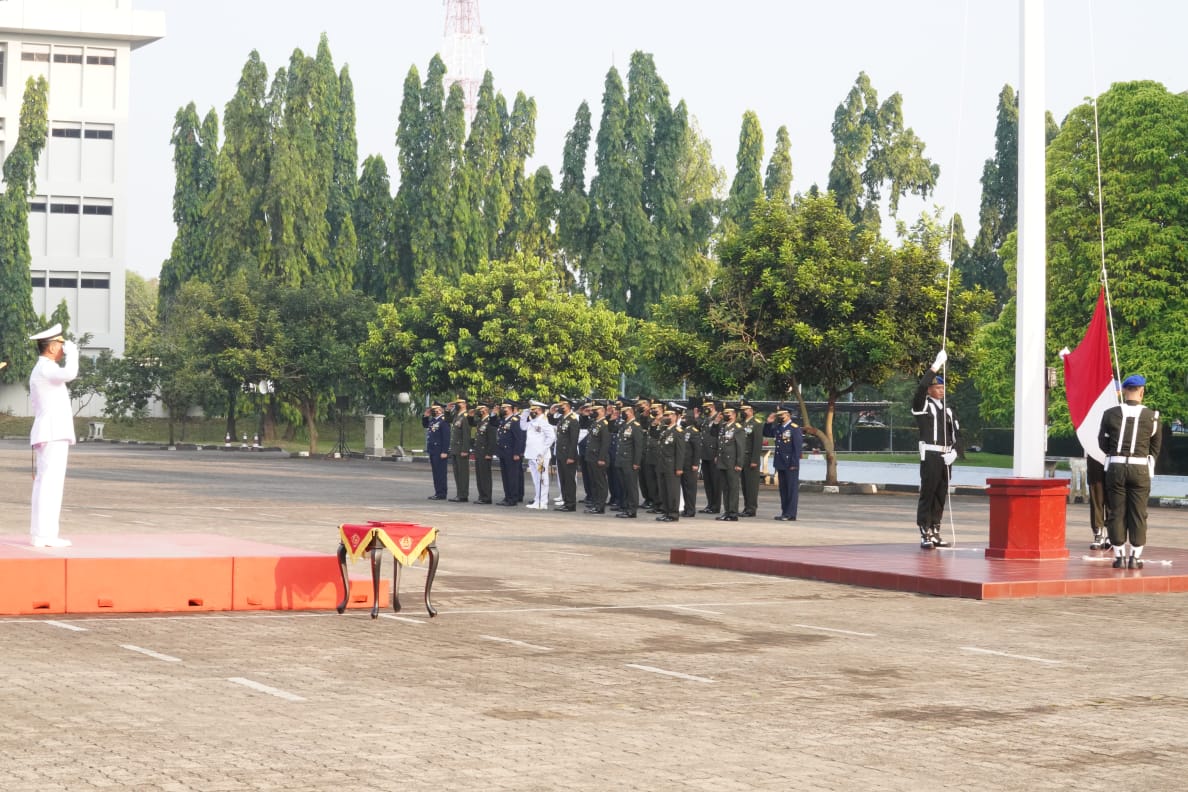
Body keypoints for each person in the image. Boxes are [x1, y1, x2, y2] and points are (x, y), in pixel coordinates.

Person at [1098, 374, 1161, 569]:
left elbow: (1103, 443)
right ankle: (1135, 557)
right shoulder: (1153, 416)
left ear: (1124, 391)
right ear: (1142, 392)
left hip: (1116, 467)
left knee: (1116, 512)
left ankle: (1119, 557)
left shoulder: (1110, 414)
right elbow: (1155, 448)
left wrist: (1115, 455)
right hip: (1140, 468)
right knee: (1138, 513)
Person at [28, 324, 79, 548]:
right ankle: (45, 535)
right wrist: (74, 353)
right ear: (50, 347)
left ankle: (42, 533)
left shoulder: (44, 368)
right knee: (50, 485)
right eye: (60, 344)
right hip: (52, 432)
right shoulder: (46, 368)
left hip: (50, 431)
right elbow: (70, 373)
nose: (63, 348)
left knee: (46, 484)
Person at [912, 350, 959, 549]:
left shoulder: (948, 409)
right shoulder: (922, 406)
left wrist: (955, 452)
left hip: (946, 456)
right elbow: (920, 389)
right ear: (930, 390)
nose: (941, 390)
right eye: (937, 387)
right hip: (931, 454)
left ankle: (935, 530)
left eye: (942, 387)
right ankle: (925, 531)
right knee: (928, 493)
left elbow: (957, 434)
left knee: (940, 494)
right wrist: (935, 366)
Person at [764, 407, 804, 520]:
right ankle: (785, 512)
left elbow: (797, 448)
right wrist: (768, 422)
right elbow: (767, 433)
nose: (780, 417)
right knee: (783, 490)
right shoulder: (779, 427)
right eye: (779, 415)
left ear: (788, 415)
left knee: (791, 490)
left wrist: (794, 463)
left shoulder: (794, 428)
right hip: (780, 462)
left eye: (782, 415)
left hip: (790, 463)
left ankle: (791, 514)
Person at [522, 401, 557, 509]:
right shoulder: (533, 421)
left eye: (534, 409)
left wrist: (543, 450)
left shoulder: (544, 421)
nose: (531, 411)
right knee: (536, 480)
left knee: (542, 479)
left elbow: (551, 437)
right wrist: (525, 413)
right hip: (532, 454)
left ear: (539, 410)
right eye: (531, 409)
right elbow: (522, 426)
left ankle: (543, 502)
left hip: (541, 456)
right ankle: (537, 500)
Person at [654, 409, 687, 522]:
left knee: (672, 490)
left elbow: (680, 451)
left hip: (672, 465)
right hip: (662, 464)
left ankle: (673, 514)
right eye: (665, 415)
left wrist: (679, 467)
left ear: (675, 417)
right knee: (663, 490)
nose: (666, 417)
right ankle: (666, 512)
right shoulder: (664, 430)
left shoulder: (678, 431)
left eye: (668, 415)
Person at [715, 405, 746, 522]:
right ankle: (727, 511)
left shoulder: (738, 428)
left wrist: (739, 463)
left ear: (734, 415)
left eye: (728, 413)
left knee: (733, 488)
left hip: (732, 462)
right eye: (725, 413)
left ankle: (733, 513)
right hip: (723, 461)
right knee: (725, 488)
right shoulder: (723, 426)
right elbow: (718, 440)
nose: (726, 415)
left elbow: (740, 447)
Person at [614, 404, 644, 518]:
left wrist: (636, 462)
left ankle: (632, 510)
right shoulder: (624, 425)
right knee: (624, 486)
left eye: (624, 412)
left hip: (630, 461)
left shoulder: (636, 426)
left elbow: (638, 446)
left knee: (631, 486)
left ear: (631, 412)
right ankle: (626, 507)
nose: (622, 414)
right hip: (621, 460)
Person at [552, 396, 581, 511]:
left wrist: (571, 456)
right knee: (563, 479)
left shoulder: (573, 420)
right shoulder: (562, 419)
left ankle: (571, 504)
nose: (560, 408)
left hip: (568, 455)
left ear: (568, 406)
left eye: (562, 406)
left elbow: (574, 440)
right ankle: (565, 501)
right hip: (561, 453)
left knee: (569, 480)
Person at [495, 399, 526, 506]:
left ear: (511, 409)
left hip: (511, 452)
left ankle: (513, 498)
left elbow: (518, 438)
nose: (503, 409)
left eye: (505, 408)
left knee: (512, 476)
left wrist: (517, 453)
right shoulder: (504, 420)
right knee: (505, 476)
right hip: (503, 452)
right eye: (503, 407)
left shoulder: (515, 420)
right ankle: (507, 496)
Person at [584, 402, 611, 513]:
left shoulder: (604, 424)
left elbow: (605, 443)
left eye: (596, 410)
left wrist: (601, 458)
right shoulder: (595, 423)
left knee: (600, 483)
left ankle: (600, 506)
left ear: (602, 411)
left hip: (598, 457)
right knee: (594, 482)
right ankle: (595, 504)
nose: (593, 412)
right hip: (591, 457)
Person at [740, 401, 764, 517]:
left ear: (751, 411)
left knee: (751, 486)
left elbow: (757, 443)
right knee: (744, 485)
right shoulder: (741, 423)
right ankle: (746, 507)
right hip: (742, 458)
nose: (742, 412)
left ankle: (751, 508)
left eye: (744, 410)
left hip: (750, 458)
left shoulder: (756, 423)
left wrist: (754, 460)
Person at [698, 400, 723, 514]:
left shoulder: (719, 419)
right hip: (705, 453)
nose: (705, 409)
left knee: (715, 482)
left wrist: (718, 453)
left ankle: (715, 506)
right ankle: (710, 504)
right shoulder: (706, 420)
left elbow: (720, 438)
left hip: (714, 454)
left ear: (712, 407)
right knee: (707, 482)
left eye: (707, 407)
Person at [471, 402, 498, 504]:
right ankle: (481, 495)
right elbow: (471, 422)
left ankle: (486, 497)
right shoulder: (480, 421)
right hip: (479, 452)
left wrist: (489, 453)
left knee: (485, 476)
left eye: (480, 409)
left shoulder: (490, 421)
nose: (478, 411)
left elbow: (492, 439)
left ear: (486, 409)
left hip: (485, 452)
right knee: (479, 475)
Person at [422, 401, 449, 500]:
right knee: (436, 473)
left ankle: (442, 493)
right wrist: (425, 416)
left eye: (435, 409)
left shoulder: (443, 421)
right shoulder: (433, 420)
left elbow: (446, 438)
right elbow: (425, 425)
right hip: (433, 450)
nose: (433, 411)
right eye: (432, 409)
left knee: (440, 473)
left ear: (440, 410)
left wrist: (444, 451)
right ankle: (438, 492)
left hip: (440, 451)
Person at [677, 405, 701, 518]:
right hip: (683, 463)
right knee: (685, 488)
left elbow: (697, 449)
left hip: (690, 464)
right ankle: (686, 508)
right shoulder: (683, 430)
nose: (683, 420)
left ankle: (691, 510)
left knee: (690, 488)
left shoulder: (694, 432)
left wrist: (695, 464)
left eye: (685, 418)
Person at [447, 397, 472, 502]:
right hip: (455, 448)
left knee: (463, 473)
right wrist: (447, 410)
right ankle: (459, 493)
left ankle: (463, 495)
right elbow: (447, 420)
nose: (457, 405)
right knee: (457, 473)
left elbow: (466, 434)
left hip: (461, 448)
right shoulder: (457, 415)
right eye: (456, 403)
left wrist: (465, 449)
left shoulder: (466, 416)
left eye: (459, 403)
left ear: (465, 404)